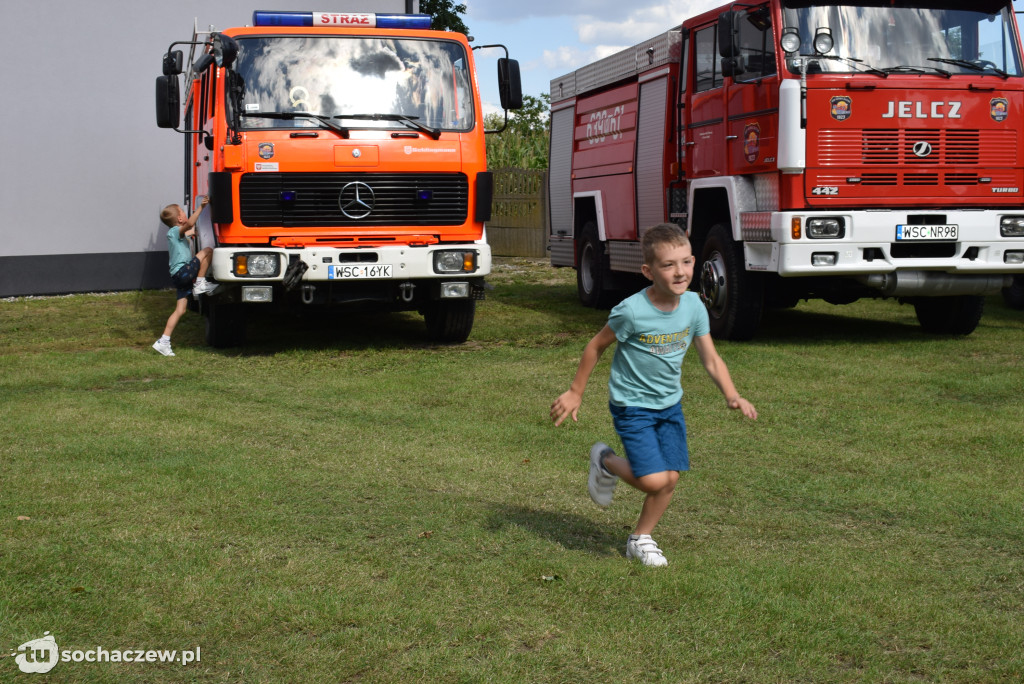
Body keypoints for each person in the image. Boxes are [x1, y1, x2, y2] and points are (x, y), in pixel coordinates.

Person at [550, 223, 757, 567]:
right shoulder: (631, 311)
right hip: (633, 406)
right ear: (648, 271)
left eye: (687, 262)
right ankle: (606, 460)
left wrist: (732, 395)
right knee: (653, 479)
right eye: (668, 265)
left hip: (669, 406)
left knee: (670, 478)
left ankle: (640, 538)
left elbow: (710, 358)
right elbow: (596, 346)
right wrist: (575, 391)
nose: (681, 272)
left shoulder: (693, 307)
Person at [152, 197, 215, 357]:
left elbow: (191, 231)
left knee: (180, 310)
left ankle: (163, 342)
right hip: (183, 272)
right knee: (207, 251)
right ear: (179, 218)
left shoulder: (177, 235)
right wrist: (201, 208)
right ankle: (200, 283)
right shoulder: (174, 231)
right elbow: (189, 225)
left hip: (178, 276)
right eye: (183, 213)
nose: (186, 215)